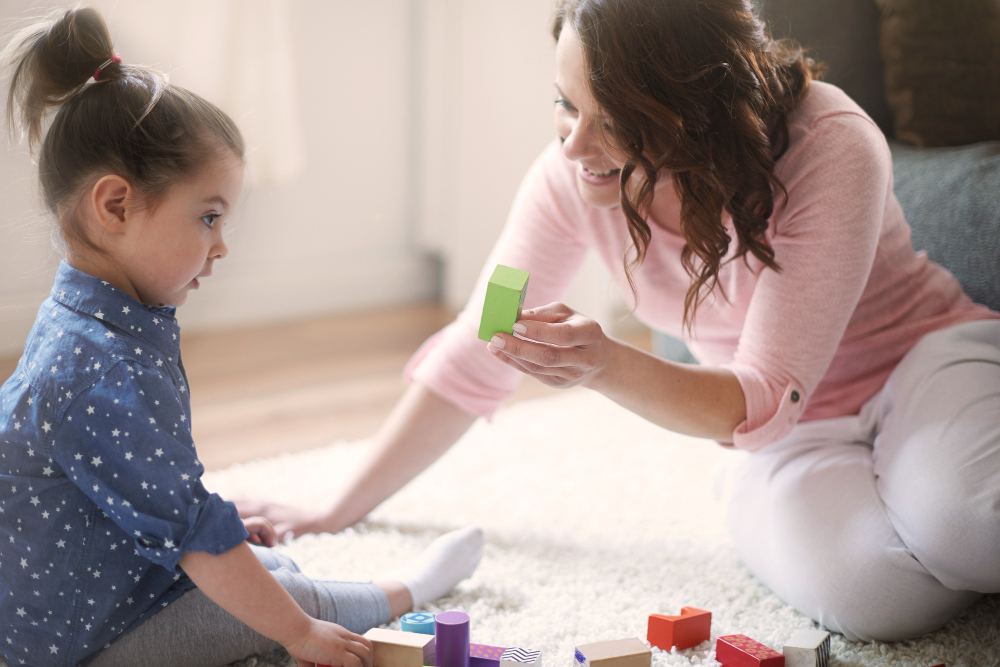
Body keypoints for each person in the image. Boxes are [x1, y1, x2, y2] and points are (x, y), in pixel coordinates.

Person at [239, 0, 1000, 645]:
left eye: (616, 120)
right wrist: (338, 506)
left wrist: (606, 365)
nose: (572, 145)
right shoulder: (568, 178)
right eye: (566, 103)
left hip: (915, 358)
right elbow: (481, 343)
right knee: (875, 598)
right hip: (772, 437)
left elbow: (765, 390)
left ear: (697, 108)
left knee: (969, 527)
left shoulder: (829, 144)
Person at [0, 8, 484, 667]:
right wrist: (298, 634)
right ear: (115, 206)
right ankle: (408, 588)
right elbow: (192, 531)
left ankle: (264, 580)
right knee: (289, 606)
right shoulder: (96, 368)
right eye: (207, 217)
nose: (221, 245)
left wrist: (208, 529)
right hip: (80, 644)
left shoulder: (94, 318)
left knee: (257, 566)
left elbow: (136, 476)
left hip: (102, 581)